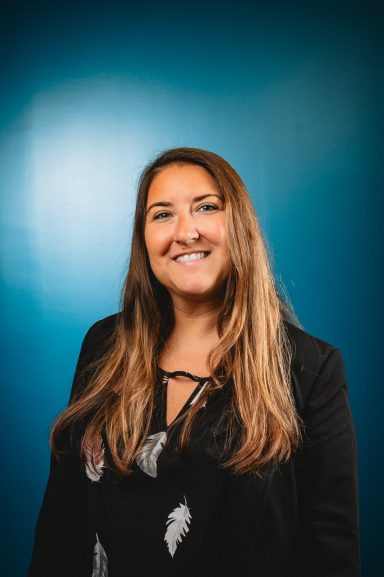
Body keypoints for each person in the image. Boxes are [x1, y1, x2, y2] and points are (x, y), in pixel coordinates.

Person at [28, 147, 360, 577]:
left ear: (238, 225)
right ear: (144, 239)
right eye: (162, 214)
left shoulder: (309, 368)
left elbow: (331, 551)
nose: (186, 232)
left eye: (205, 207)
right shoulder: (104, 345)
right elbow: (61, 522)